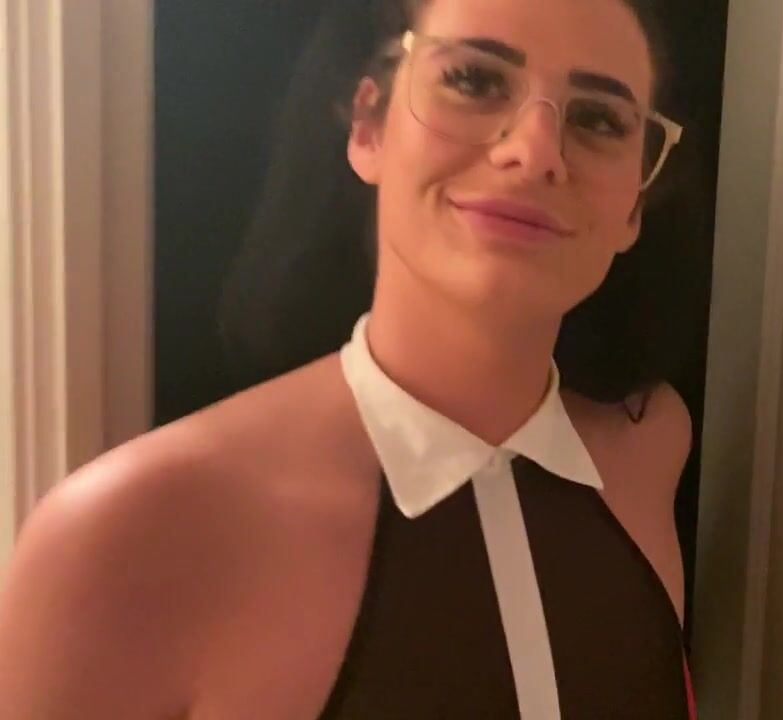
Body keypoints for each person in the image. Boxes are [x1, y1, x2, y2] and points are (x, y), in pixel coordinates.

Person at [0, 0, 701, 716]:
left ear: (635, 206)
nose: (536, 150)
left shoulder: (647, 449)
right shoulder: (131, 536)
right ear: (369, 126)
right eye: (474, 79)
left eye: (599, 119)